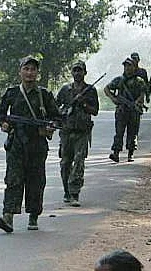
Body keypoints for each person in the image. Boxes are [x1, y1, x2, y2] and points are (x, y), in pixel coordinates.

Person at [0, 55, 60, 233]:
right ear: (20, 71)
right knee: (13, 180)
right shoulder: (12, 93)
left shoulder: (44, 95)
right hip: (16, 144)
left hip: (37, 145)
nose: (30, 73)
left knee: (36, 181)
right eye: (26, 69)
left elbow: (57, 117)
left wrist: (49, 128)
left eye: (33, 69)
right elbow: (0, 112)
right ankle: (8, 217)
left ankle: (33, 216)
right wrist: (4, 124)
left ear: (37, 73)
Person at [55, 60, 99, 207]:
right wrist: (61, 114)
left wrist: (83, 103)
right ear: (72, 72)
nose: (77, 73)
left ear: (85, 72)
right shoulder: (65, 90)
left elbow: (95, 111)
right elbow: (55, 107)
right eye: (75, 70)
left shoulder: (90, 90)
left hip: (82, 132)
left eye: (80, 70)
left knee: (79, 162)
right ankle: (67, 191)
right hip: (66, 131)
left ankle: (75, 193)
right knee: (65, 163)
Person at [105, 57, 148, 163]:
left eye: (130, 65)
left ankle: (130, 153)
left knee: (132, 132)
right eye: (125, 66)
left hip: (133, 110)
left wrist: (137, 103)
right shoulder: (119, 80)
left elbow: (142, 94)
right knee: (119, 132)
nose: (127, 68)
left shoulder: (139, 81)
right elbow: (107, 89)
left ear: (134, 67)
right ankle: (116, 153)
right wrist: (113, 99)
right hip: (121, 110)